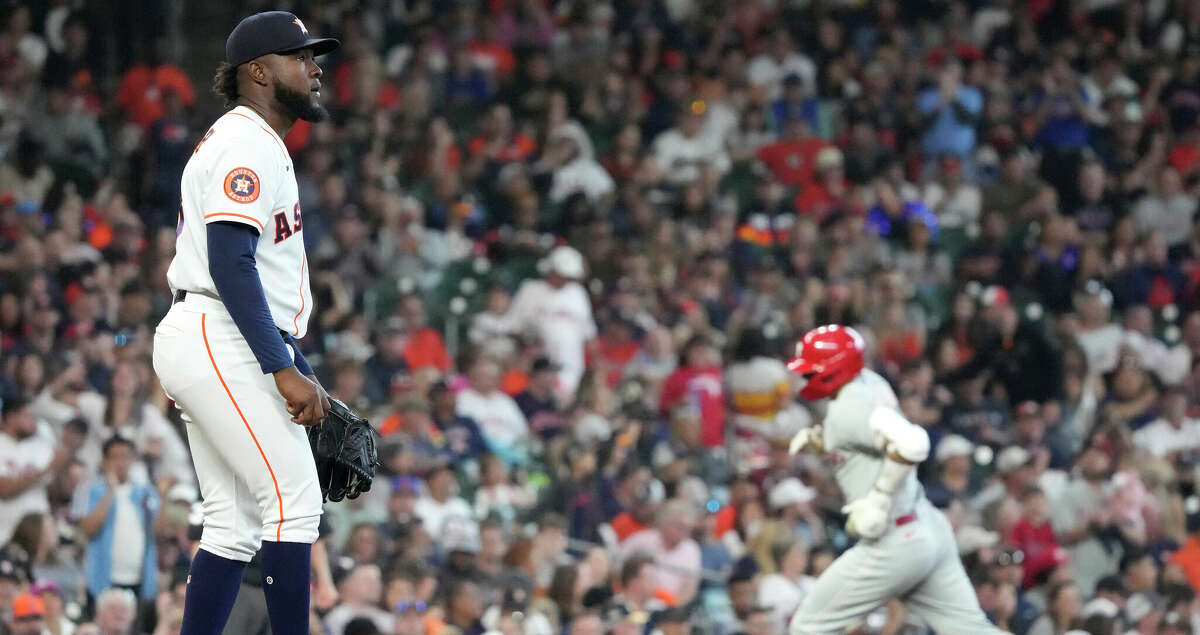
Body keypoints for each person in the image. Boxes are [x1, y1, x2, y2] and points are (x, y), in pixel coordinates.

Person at [150, 11, 339, 635]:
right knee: (294, 502)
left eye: (315, 56)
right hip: (217, 327)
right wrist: (281, 367)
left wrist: (296, 364)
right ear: (258, 72)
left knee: (233, 525)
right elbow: (232, 264)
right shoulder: (246, 142)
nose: (315, 69)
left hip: (214, 331)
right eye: (300, 56)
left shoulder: (254, 140)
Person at [786, 325, 1003, 634]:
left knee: (808, 627)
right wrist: (820, 440)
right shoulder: (869, 382)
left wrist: (879, 498)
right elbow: (866, 437)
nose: (805, 378)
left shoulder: (850, 406)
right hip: (927, 525)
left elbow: (912, 443)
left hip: (894, 537)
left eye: (812, 370)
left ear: (834, 368)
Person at [73, 436, 159, 605]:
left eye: (126, 456)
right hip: (103, 578)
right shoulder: (92, 491)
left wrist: (163, 494)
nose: (121, 462)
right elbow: (88, 529)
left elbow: (158, 530)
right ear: (104, 461)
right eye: (115, 457)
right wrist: (111, 490)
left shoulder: (145, 493)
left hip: (139, 579)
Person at [0, 397, 82, 545]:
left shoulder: (42, 446)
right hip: (5, 528)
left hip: (39, 530)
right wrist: (48, 469)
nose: (34, 421)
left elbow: (62, 494)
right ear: (11, 417)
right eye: (28, 416)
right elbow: (4, 491)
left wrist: (64, 464)